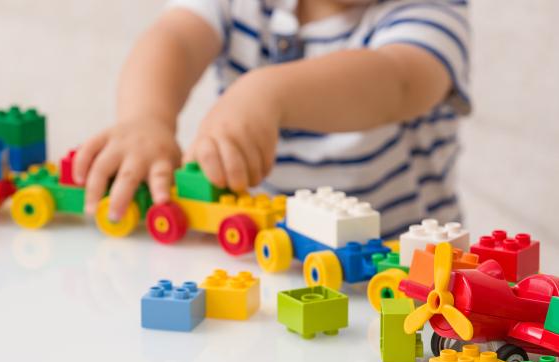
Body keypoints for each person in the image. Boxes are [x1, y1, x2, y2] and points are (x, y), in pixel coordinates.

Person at [73, 0, 470, 239]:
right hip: (263, 246)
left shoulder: (429, 11)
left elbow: (395, 81)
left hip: (399, 268)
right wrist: (146, 117)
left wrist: (268, 93)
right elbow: (173, 37)